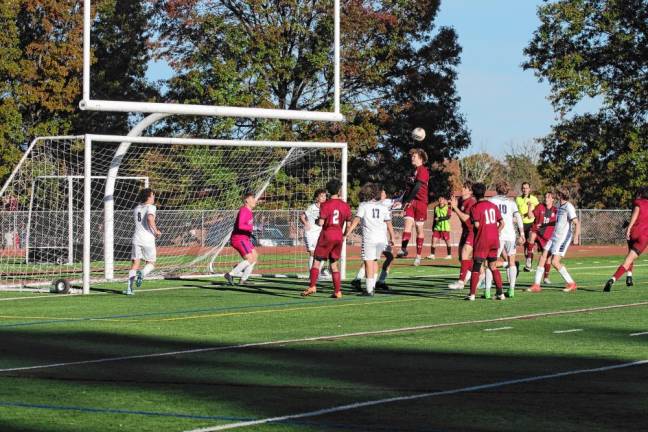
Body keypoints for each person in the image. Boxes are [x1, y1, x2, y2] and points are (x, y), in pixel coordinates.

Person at [301, 179, 352, 299]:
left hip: (327, 235)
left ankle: (312, 286)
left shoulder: (325, 205)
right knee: (334, 264)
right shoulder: (346, 206)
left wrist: (317, 221)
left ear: (328, 192)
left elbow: (321, 222)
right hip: (339, 236)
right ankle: (338, 291)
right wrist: (344, 235)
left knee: (317, 261)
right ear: (339, 191)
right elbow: (348, 225)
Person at [345, 183, 396, 296]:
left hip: (370, 238)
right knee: (374, 261)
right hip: (381, 239)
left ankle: (369, 290)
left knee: (368, 262)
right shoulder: (383, 207)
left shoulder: (364, 205)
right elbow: (389, 223)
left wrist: (347, 233)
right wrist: (392, 236)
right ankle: (372, 286)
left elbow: (356, 221)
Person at [528, 187, 580, 293]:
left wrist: (576, 237)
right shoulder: (559, 206)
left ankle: (571, 283)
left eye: (558, 194)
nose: (556, 195)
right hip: (554, 236)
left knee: (555, 262)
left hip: (562, 238)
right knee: (543, 257)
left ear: (561, 195)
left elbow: (577, 222)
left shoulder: (568, 206)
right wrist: (546, 224)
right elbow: (558, 222)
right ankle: (536, 285)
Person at [465, 182, 506, 301]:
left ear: (474, 194)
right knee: (493, 265)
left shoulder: (475, 207)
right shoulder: (493, 206)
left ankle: (472, 294)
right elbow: (502, 223)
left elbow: (477, 225)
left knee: (477, 266)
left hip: (483, 240)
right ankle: (500, 293)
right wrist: (495, 231)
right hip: (494, 240)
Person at [604, 186, 648, 292]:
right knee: (629, 259)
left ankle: (627, 277)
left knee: (628, 257)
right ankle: (613, 279)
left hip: (634, 231)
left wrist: (628, 228)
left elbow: (635, 215)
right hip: (644, 236)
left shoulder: (639, 202)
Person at [488, 181, 524, 298]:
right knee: (512, 262)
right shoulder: (511, 202)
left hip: (497, 234)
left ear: (497, 189)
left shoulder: (491, 201)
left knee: (490, 263)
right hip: (510, 235)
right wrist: (522, 233)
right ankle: (512, 289)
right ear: (507, 191)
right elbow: (518, 217)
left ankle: (487, 291)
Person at [396, 148, 429, 266]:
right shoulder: (412, 172)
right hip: (411, 202)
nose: (412, 158)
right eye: (412, 156)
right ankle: (403, 249)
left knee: (419, 229)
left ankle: (418, 256)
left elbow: (418, 187)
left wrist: (407, 201)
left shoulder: (423, 170)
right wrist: (402, 201)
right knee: (407, 224)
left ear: (420, 159)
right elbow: (408, 189)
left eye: (414, 156)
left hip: (421, 203)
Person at [126, 188, 161, 295]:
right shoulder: (151, 207)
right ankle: (142, 273)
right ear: (149, 197)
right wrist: (156, 231)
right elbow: (150, 218)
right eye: (153, 195)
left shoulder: (136, 208)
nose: (154, 197)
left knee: (135, 263)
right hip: (148, 239)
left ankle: (129, 289)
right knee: (151, 263)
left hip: (136, 238)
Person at [224, 192, 258, 286]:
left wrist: (251, 232)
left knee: (254, 256)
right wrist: (252, 228)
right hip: (239, 239)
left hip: (244, 239)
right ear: (247, 200)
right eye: (253, 198)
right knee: (250, 258)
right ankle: (230, 274)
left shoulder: (249, 211)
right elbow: (240, 225)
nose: (255, 200)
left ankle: (243, 279)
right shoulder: (244, 210)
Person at [448, 181, 477, 290]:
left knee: (465, 254)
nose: (462, 189)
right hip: (465, 231)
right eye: (463, 187)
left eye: (465, 188)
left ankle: (461, 282)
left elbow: (466, 218)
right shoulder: (461, 200)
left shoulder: (472, 202)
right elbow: (455, 210)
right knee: (462, 258)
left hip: (472, 231)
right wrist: (451, 205)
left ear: (470, 191)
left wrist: (455, 208)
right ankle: (479, 273)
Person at [529, 191, 558, 284]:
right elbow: (530, 216)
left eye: (548, 197)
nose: (546, 199)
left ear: (553, 199)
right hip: (537, 232)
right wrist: (530, 208)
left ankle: (545, 277)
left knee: (548, 257)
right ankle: (529, 260)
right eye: (545, 197)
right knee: (532, 235)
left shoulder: (555, 211)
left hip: (547, 236)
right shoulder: (540, 207)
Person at [300, 189, 327, 272]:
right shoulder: (312, 207)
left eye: (325, 196)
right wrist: (305, 223)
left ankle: (317, 272)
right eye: (321, 196)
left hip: (320, 233)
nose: (323, 198)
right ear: (317, 198)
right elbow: (302, 216)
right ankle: (311, 274)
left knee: (322, 254)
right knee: (313, 253)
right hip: (310, 233)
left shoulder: (326, 207)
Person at [516, 182, 539, 271]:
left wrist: (529, 214)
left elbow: (538, 210)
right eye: (523, 188)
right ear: (521, 189)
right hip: (521, 225)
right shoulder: (518, 199)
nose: (525, 190)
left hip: (531, 223)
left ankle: (529, 264)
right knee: (525, 246)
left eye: (526, 188)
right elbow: (517, 212)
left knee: (530, 242)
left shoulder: (534, 199)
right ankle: (527, 264)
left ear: (529, 189)